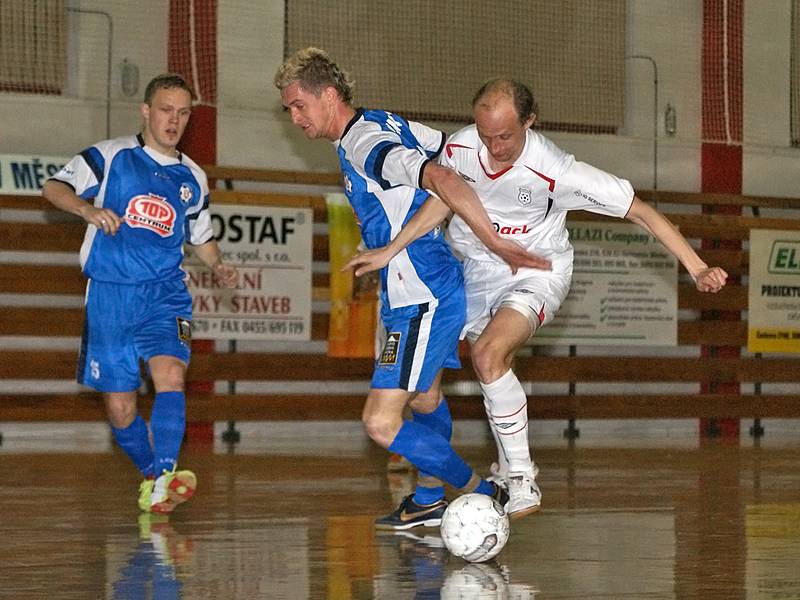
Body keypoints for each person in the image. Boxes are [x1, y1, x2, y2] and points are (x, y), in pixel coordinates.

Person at [346, 78, 729, 519]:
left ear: (530, 121)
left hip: (535, 270)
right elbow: (442, 201)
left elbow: (640, 211)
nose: (494, 147)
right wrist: (391, 249)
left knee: (489, 355)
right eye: (486, 134)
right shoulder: (462, 147)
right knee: (421, 388)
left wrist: (697, 267)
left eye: (505, 136)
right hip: (473, 270)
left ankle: (520, 474)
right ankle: (435, 493)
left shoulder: (557, 170)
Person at [274, 48, 551, 530]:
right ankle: (426, 498)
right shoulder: (385, 122)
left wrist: (489, 238)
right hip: (419, 289)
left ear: (330, 95)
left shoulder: (365, 144)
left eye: (299, 105)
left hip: (422, 294)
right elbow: (457, 153)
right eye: (289, 109)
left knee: (381, 422)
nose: (294, 117)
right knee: (423, 400)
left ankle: (486, 494)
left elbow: (442, 176)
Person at [42, 73, 239, 514]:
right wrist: (86, 208)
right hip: (111, 295)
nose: (174, 120)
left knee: (172, 377)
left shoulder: (193, 177)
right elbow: (54, 187)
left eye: (183, 113)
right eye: (166, 110)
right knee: (121, 410)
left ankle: (166, 473)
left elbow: (201, 237)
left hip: (166, 294)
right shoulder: (110, 156)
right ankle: (152, 474)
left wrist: (219, 264)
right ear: (146, 111)